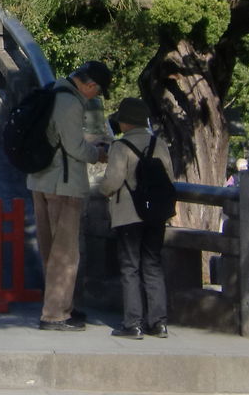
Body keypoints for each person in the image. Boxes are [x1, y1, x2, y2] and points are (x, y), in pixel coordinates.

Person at [27, 60, 111, 331]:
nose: (95, 96)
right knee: (65, 253)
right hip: (62, 186)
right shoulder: (70, 103)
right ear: (90, 85)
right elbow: (75, 147)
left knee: (50, 249)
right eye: (98, 91)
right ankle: (55, 314)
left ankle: (63, 306)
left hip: (41, 180)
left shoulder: (52, 92)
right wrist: (98, 154)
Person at [100, 96, 172, 339]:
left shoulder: (120, 147)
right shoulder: (159, 144)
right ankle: (159, 323)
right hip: (156, 214)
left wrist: (102, 190)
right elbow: (169, 178)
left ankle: (133, 323)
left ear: (126, 122)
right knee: (153, 265)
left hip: (128, 215)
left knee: (130, 267)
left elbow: (112, 182)